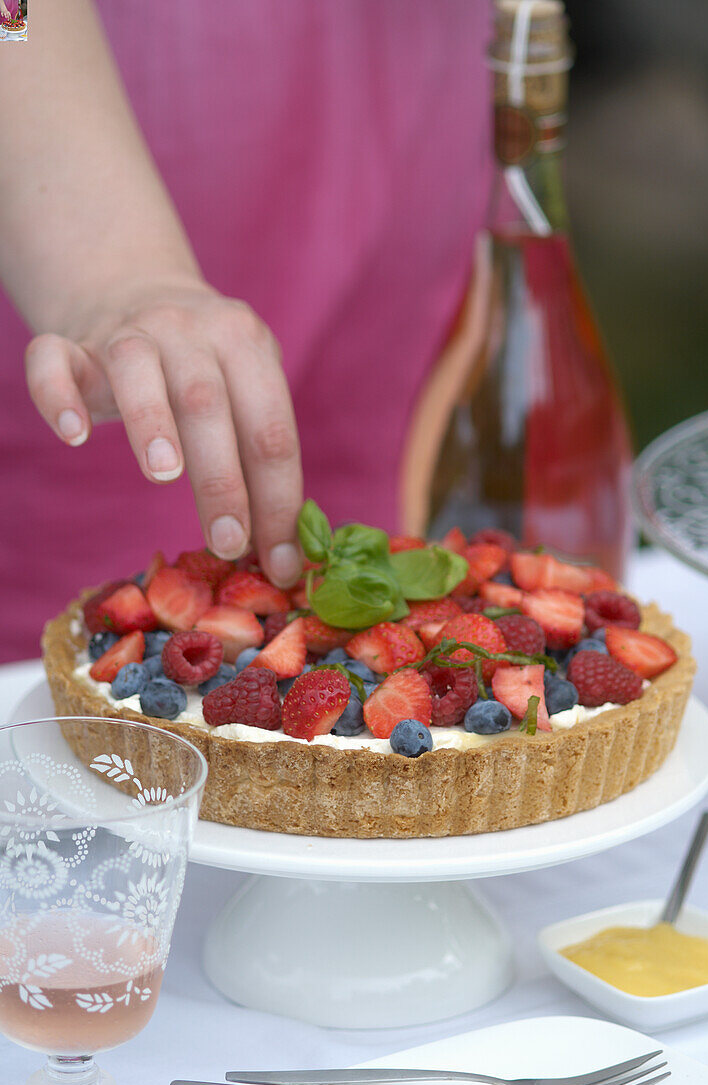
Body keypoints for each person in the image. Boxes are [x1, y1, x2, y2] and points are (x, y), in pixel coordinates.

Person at [0, 0, 491, 661]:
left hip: (412, 103)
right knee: (94, 658)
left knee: (362, 616)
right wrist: (118, 276)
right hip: (82, 162)